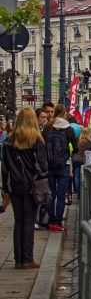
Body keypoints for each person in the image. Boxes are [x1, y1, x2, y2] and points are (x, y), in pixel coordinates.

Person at [1, 107, 48, 269]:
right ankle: (27, 259)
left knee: (19, 221)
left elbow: (4, 167)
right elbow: (43, 167)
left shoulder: (8, 140)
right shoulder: (36, 140)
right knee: (28, 221)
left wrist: (5, 190)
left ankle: (18, 259)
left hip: (14, 185)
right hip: (31, 186)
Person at [44, 104, 78, 232]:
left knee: (50, 194)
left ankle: (51, 221)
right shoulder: (68, 128)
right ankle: (58, 222)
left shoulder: (48, 126)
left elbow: (43, 144)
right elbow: (76, 148)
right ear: (64, 113)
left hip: (49, 164)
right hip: (63, 165)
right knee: (61, 194)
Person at [73, 127, 91, 197]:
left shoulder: (77, 139)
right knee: (83, 177)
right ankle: (81, 194)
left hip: (76, 159)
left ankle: (77, 191)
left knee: (76, 175)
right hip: (84, 160)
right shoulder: (88, 141)